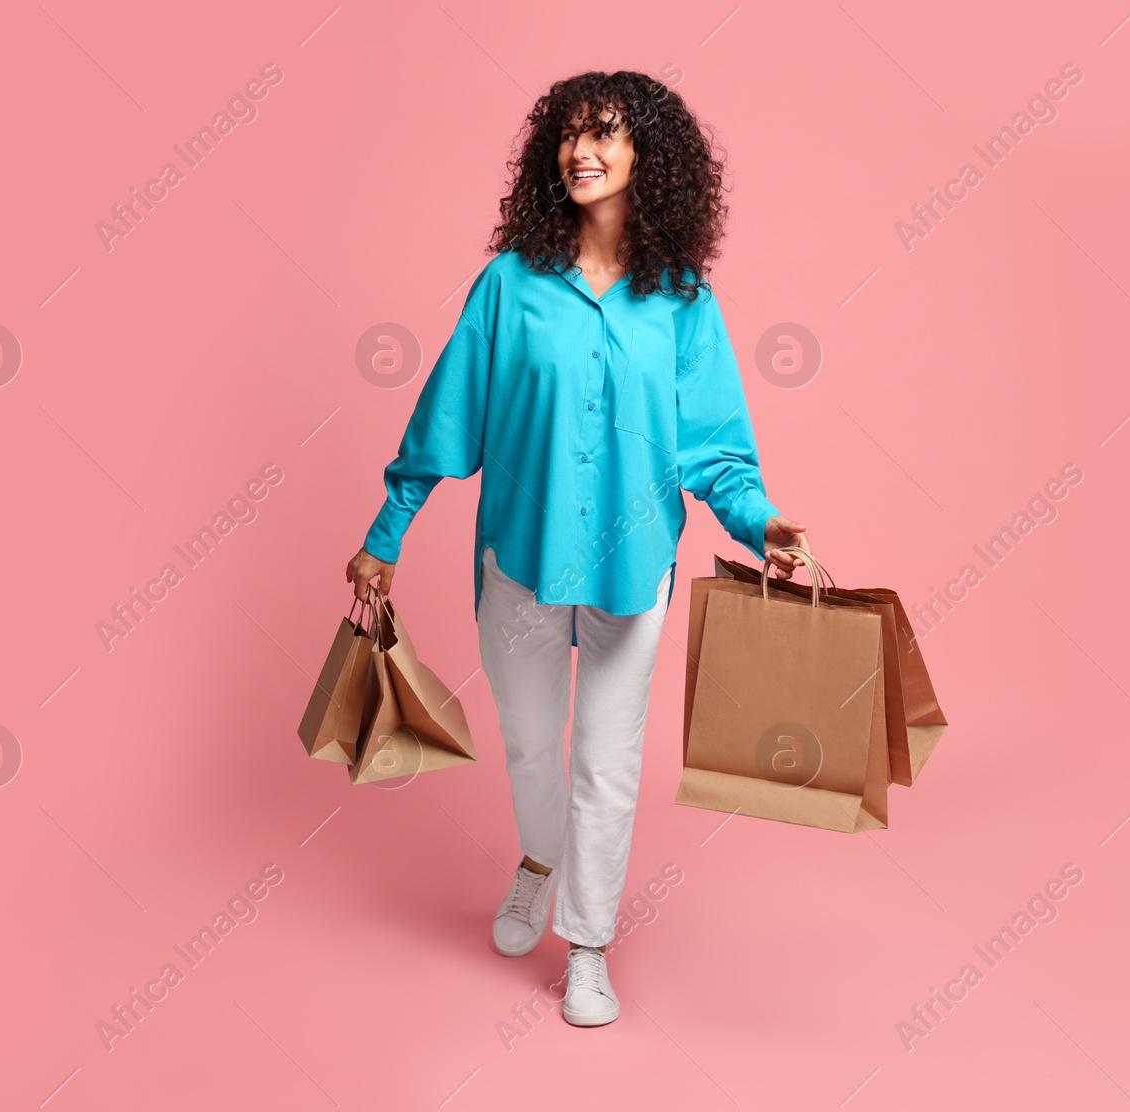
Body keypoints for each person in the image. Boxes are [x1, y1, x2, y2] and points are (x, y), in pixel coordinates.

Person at [345, 70, 807, 1027]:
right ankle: (539, 862)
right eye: (566, 135)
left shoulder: (682, 302)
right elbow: (445, 421)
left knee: (607, 762)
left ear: (649, 158)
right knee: (529, 749)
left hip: (633, 576)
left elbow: (713, 448)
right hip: (519, 558)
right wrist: (386, 535)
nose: (579, 151)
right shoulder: (509, 286)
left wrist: (760, 523)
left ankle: (589, 944)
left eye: (602, 134)